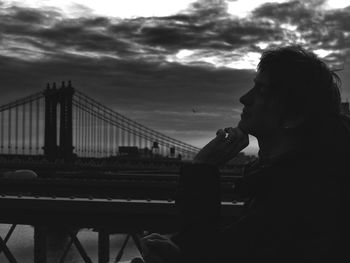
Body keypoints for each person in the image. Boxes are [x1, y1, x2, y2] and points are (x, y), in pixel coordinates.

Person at [140, 45, 350, 263]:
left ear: (294, 117)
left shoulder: (299, 196)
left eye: (262, 91)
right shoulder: (306, 178)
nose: (244, 98)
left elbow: (203, 254)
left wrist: (202, 168)